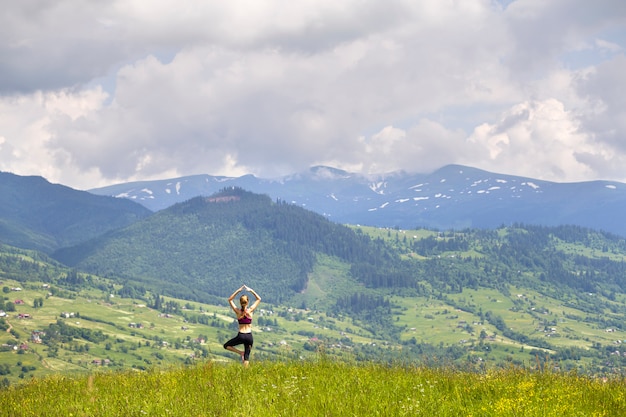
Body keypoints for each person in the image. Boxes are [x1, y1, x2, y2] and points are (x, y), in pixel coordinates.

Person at [223, 284, 261, 367]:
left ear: (240, 302)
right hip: (249, 336)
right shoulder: (250, 311)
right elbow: (259, 299)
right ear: (248, 302)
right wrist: (251, 290)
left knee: (226, 345)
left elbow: (230, 300)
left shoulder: (238, 311)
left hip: (241, 335)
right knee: (247, 357)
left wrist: (238, 290)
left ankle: (240, 353)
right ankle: (245, 373)